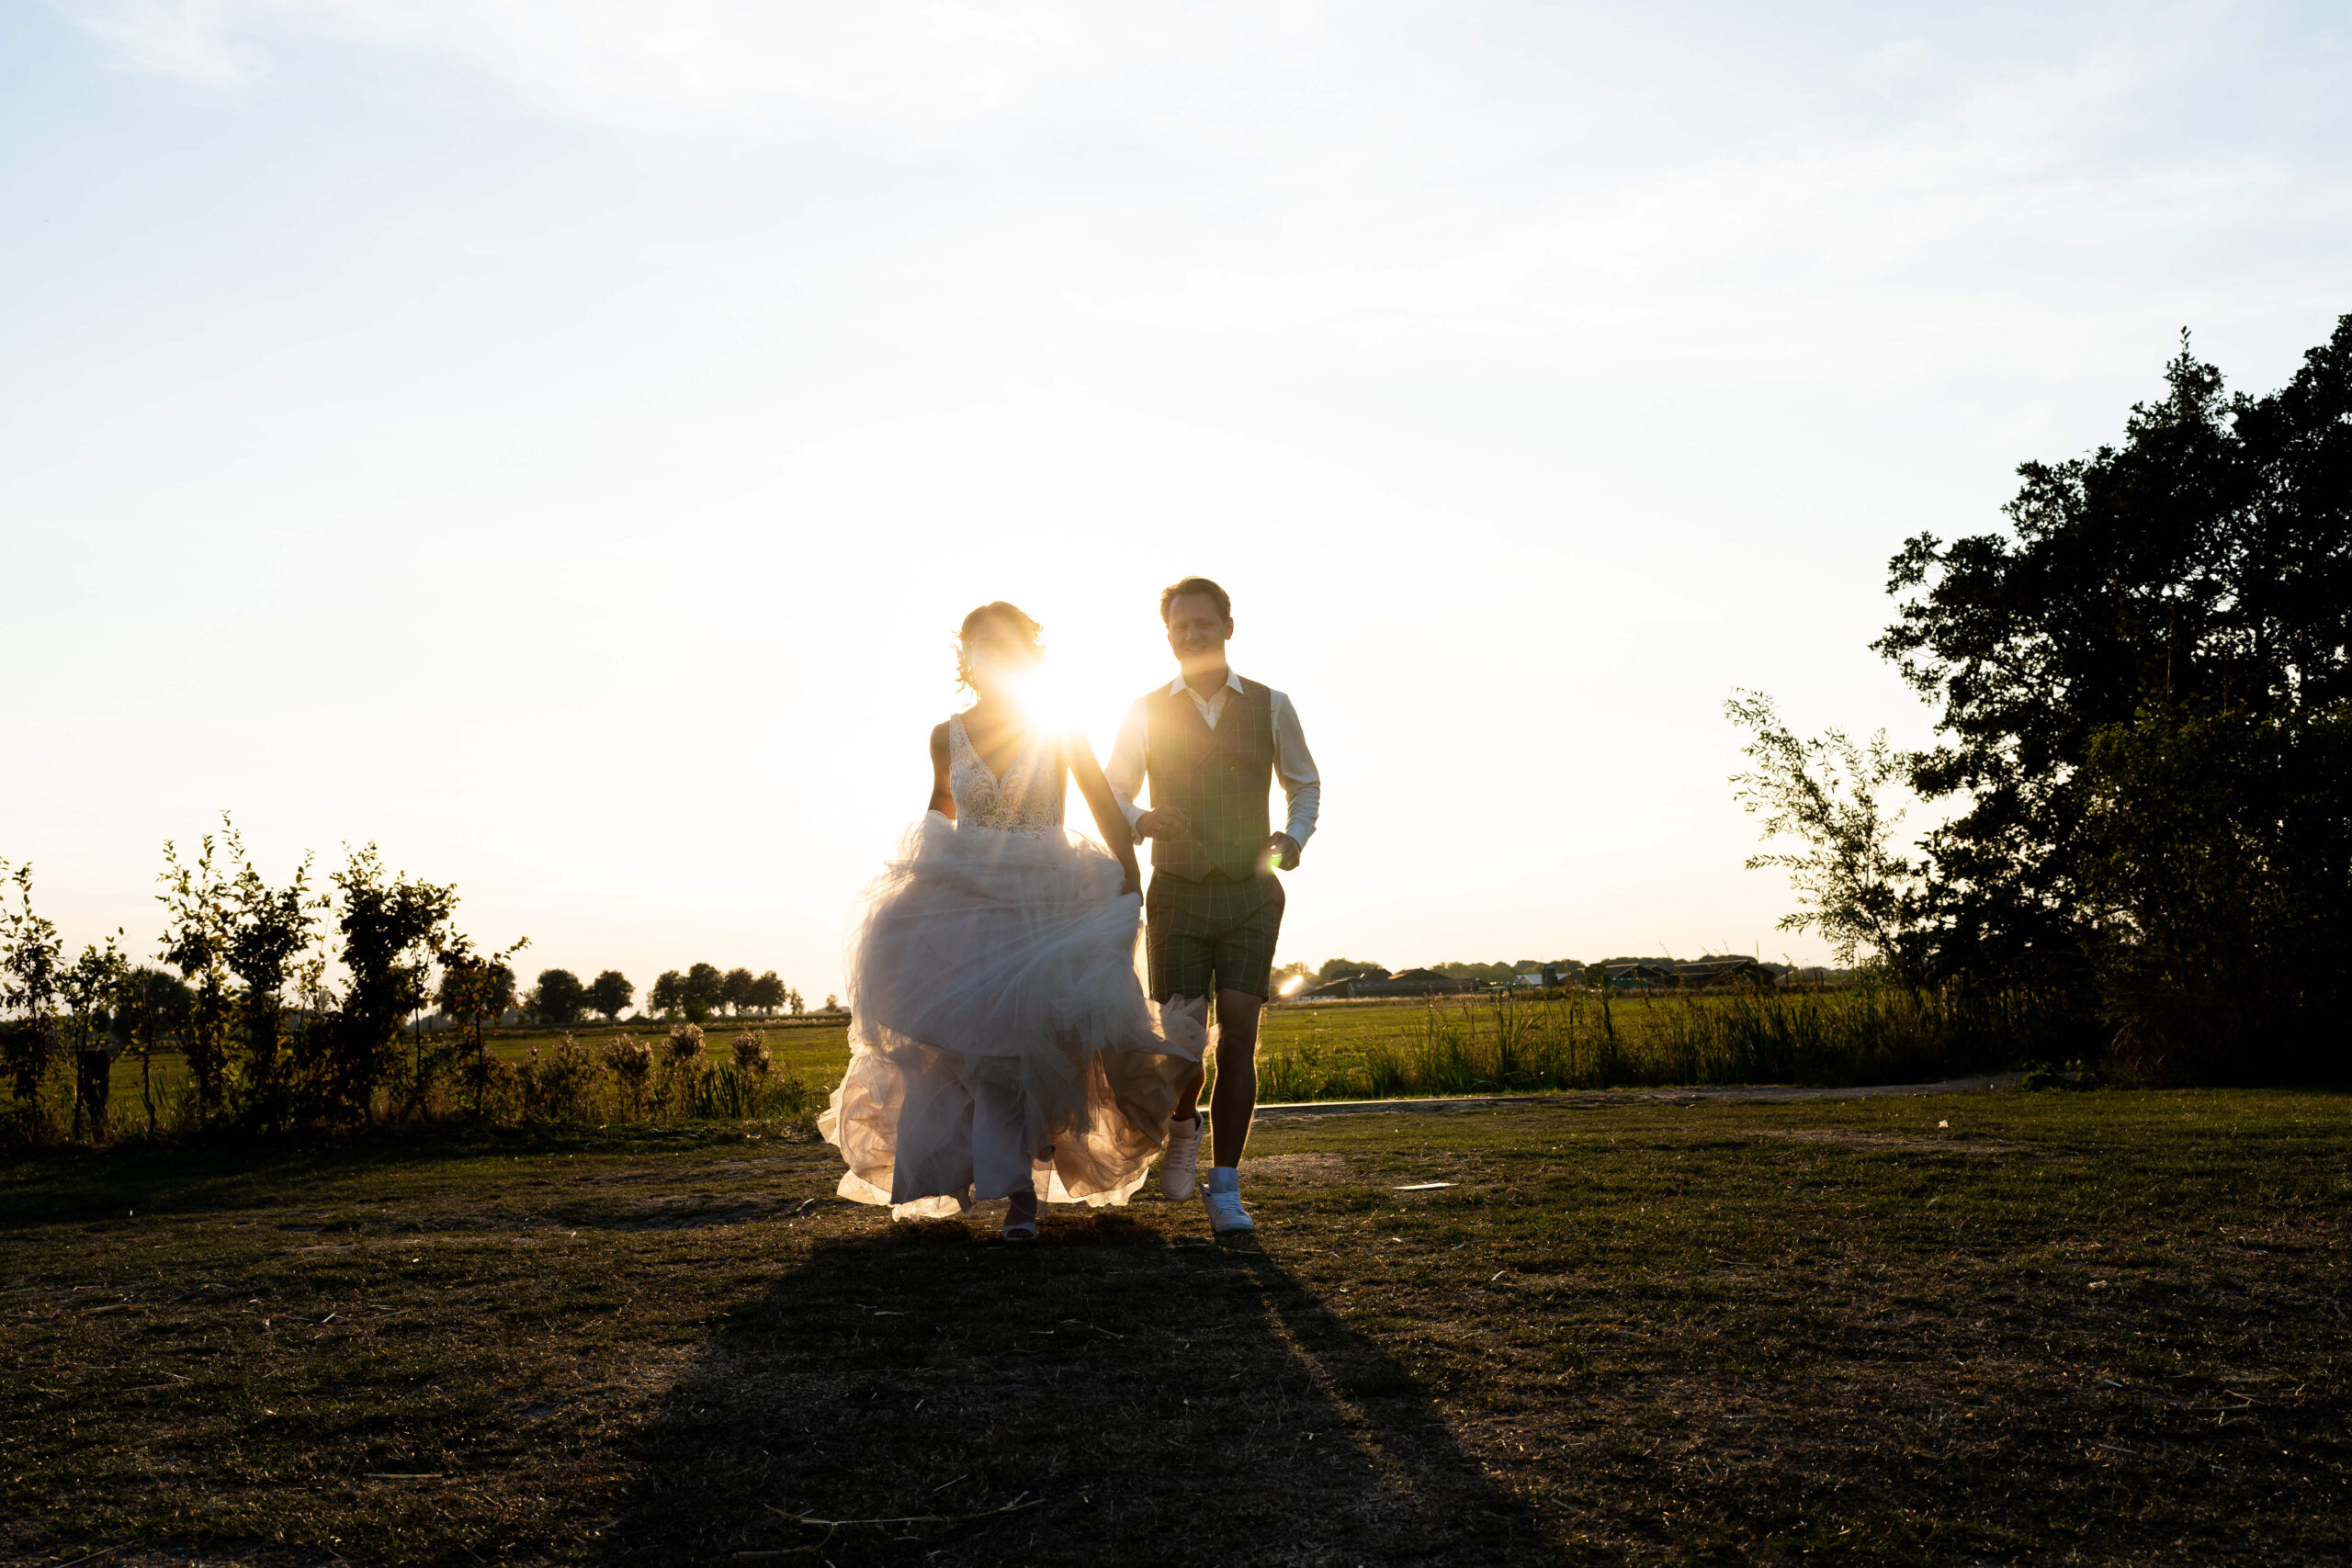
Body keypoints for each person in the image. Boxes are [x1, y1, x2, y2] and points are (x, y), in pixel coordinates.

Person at [820, 603, 1206, 1240]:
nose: (993, 657)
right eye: (980, 647)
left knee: (1026, 1051)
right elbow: (942, 804)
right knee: (954, 1050)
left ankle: (1022, 1193)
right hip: (965, 895)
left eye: (1005, 646)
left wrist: (1128, 878)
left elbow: (1101, 801)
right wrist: (922, 878)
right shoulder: (946, 733)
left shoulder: (1056, 726)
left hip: (1050, 894)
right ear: (966, 658)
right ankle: (960, 1179)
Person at [1105, 576, 1320, 1234]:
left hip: (1252, 890)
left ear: (1229, 626)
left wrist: (1295, 834)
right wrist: (1140, 819)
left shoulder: (1271, 705)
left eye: (1203, 623)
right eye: (1180, 627)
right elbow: (1111, 788)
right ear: (1168, 634)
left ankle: (1225, 1186)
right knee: (1183, 1043)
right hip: (1177, 890)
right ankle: (1180, 1125)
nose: (1191, 635)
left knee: (1240, 1038)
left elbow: (1304, 782)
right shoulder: (1144, 710)